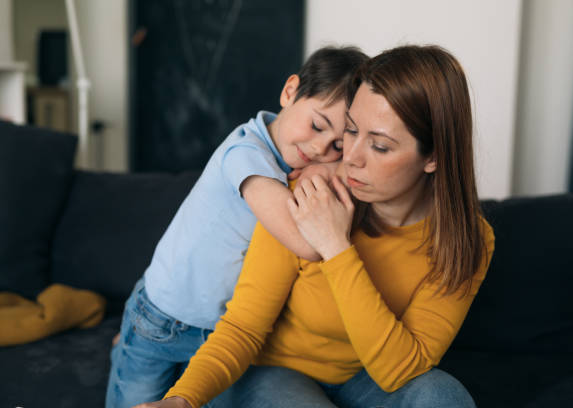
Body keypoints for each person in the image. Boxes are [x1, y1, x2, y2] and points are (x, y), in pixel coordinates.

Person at [135, 44, 495, 408]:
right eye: (351, 132)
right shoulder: (308, 195)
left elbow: (400, 371)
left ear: (433, 157)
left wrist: (337, 247)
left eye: (380, 146)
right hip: (272, 375)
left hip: (364, 378)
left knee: (443, 396)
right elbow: (242, 327)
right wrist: (181, 400)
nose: (349, 157)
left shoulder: (468, 240)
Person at [105, 46, 369, 408]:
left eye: (339, 145)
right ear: (290, 91)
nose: (320, 147)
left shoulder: (298, 164)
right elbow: (306, 242)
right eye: (318, 125)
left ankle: (125, 338)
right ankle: (127, 340)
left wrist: (330, 168)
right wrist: (331, 170)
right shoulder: (245, 153)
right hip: (164, 319)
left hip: (219, 333)